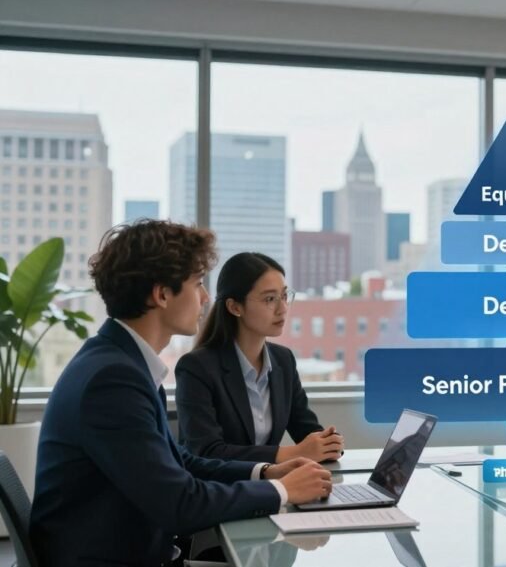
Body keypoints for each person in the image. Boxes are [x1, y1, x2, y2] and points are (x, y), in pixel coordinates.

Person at [30, 220, 334, 567]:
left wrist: (265, 473)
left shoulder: (123, 362)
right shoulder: (113, 380)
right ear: (162, 295)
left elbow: (180, 463)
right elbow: (180, 505)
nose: (205, 298)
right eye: (197, 283)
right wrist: (283, 491)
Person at [175, 252, 344, 463]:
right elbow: (207, 452)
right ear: (235, 307)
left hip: (274, 481)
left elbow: (307, 430)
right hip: (217, 483)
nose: (283, 309)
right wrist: (295, 453)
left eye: (284, 296)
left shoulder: (283, 360)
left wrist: (328, 443)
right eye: (270, 299)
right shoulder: (196, 368)